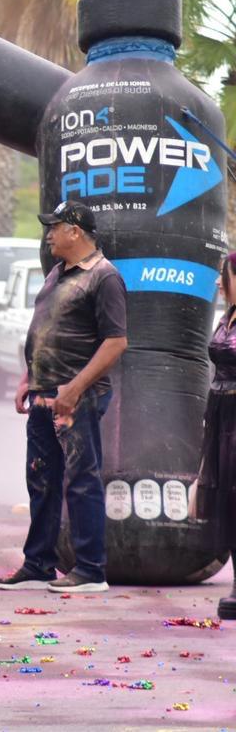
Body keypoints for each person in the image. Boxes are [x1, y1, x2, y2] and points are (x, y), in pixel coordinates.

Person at [0, 200, 127, 594]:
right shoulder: (56, 273)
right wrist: (26, 379)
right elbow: (43, 331)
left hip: (77, 396)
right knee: (41, 477)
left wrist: (74, 388)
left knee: (81, 480)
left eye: (54, 227)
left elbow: (116, 342)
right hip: (43, 392)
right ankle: (38, 564)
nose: (48, 234)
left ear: (75, 230)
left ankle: (90, 570)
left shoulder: (104, 277)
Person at [196, 253, 236, 620]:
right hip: (222, 416)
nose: (218, 284)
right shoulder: (228, 316)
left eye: (224, 276)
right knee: (229, 500)